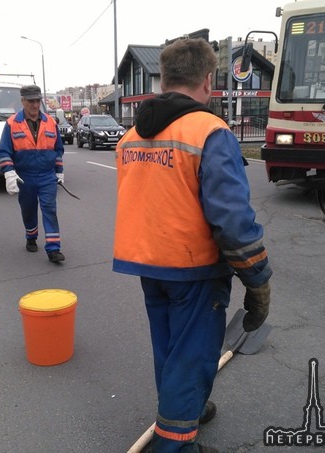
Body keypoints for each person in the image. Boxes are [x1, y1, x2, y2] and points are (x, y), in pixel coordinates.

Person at [113, 38, 272, 453]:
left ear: (164, 79)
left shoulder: (131, 135)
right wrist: (257, 279)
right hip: (194, 268)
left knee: (169, 347)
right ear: (207, 80)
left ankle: (186, 409)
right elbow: (233, 221)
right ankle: (176, 445)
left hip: (148, 262)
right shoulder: (208, 131)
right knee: (193, 355)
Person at [0, 85, 66, 263]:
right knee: (28, 210)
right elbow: (4, 151)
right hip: (24, 176)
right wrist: (9, 172)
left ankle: (53, 248)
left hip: (46, 175)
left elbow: (58, 149)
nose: (35, 105)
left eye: (37, 101)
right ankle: (31, 236)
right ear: (23, 101)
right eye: (31, 101)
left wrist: (59, 171)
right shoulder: (12, 124)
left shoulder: (51, 122)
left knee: (50, 209)